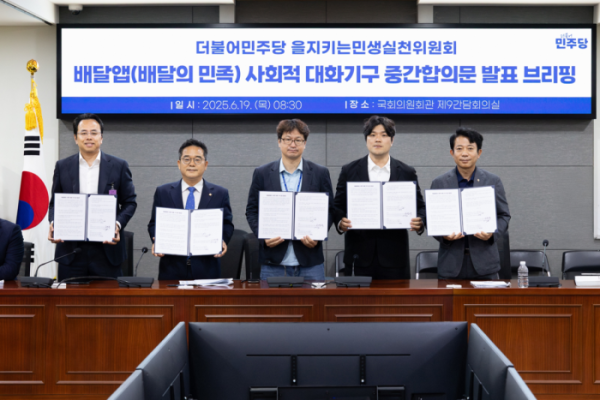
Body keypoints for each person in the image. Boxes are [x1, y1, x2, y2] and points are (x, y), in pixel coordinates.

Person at [333, 115, 426, 279]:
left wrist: (420, 222)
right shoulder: (349, 170)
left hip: (395, 256)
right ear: (366, 139)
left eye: (383, 135)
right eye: (372, 135)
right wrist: (341, 222)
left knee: (395, 297)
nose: (378, 139)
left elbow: (420, 207)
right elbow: (337, 206)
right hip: (358, 255)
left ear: (392, 140)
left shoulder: (406, 172)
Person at [48, 113, 137, 280]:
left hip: (107, 250)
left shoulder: (119, 166)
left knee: (108, 297)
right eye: (83, 133)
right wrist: (54, 223)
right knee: (69, 297)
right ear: (75, 138)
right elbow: (54, 203)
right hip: (71, 250)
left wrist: (117, 224)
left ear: (101, 137)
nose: (89, 137)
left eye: (94, 133)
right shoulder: (62, 166)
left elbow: (130, 202)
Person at [246, 119, 334, 281]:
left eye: (298, 140)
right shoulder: (262, 173)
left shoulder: (320, 173)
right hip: (273, 261)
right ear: (279, 142)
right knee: (272, 299)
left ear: (305, 143)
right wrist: (263, 236)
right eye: (287, 139)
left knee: (314, 299)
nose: (293, 144)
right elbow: (252, 210)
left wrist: (318, 234)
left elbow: (330, 210)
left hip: (310, 259)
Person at [431, 127, 510, 280]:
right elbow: (432, 219)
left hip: (485, 264)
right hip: (450, 264)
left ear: (479, 153)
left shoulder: (492, 181)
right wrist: (444, 236)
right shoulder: (440, 183)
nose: (465, 153)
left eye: (470, 148)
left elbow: (504, 215)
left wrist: (492, 234)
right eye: (459, 148)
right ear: (452, 153)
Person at [148, 139, 233, 280]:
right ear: (179, 164)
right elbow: (153, 223)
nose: (192, 164)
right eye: (186, 159)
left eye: (197, 159)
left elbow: (227, 224)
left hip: (207, 269)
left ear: (205, 165)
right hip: (171, 269)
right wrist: (156, 239)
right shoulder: (163, 192)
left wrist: (222, 240)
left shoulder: (220, 193)